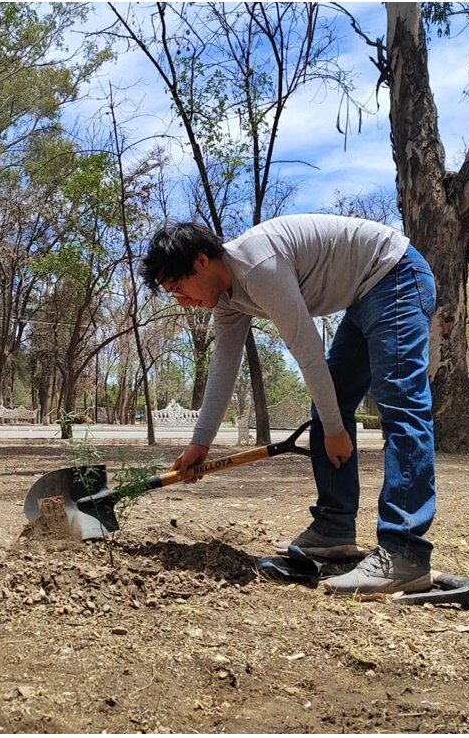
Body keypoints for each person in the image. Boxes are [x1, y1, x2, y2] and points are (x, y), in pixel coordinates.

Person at [139, 215, 437, 595]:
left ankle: (404, 551)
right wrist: (201, 443)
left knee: (399, 404)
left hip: (395, 275)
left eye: (180, 288)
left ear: (201, 261)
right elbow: (223, 368)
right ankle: (334, 528)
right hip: (365, 295)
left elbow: (307, 350)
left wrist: (335, 431)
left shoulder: (258, 265)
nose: (181, 302)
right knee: (329, 406)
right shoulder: (228, 300)